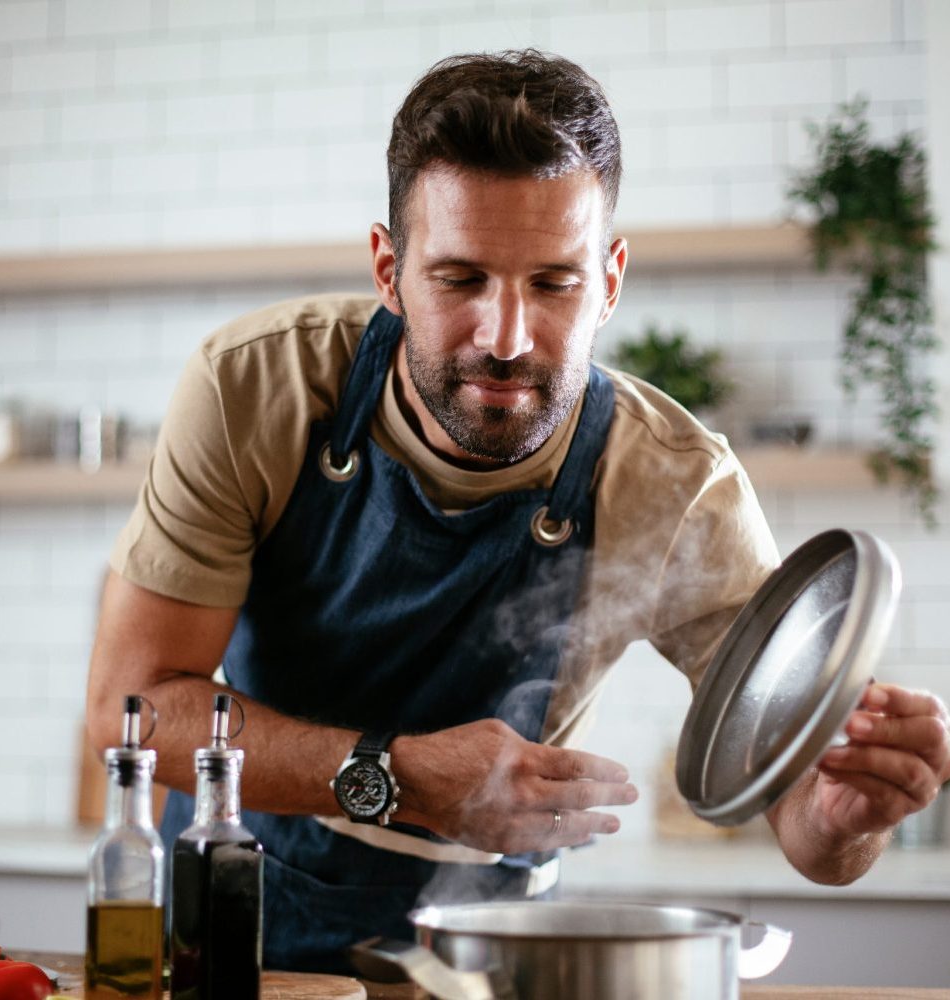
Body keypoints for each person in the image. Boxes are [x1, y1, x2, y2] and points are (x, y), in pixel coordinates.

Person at [86, 49, 950, 973]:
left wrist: (841, 817)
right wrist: (405, 778)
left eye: (554, 283)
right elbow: (130, 712)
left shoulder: (674, 484)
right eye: (460, 279)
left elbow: (805, 827)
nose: (506, 339)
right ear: (389, 269)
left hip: (491, 963)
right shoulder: (257, 388)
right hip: (233, 938)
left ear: (610, 281)